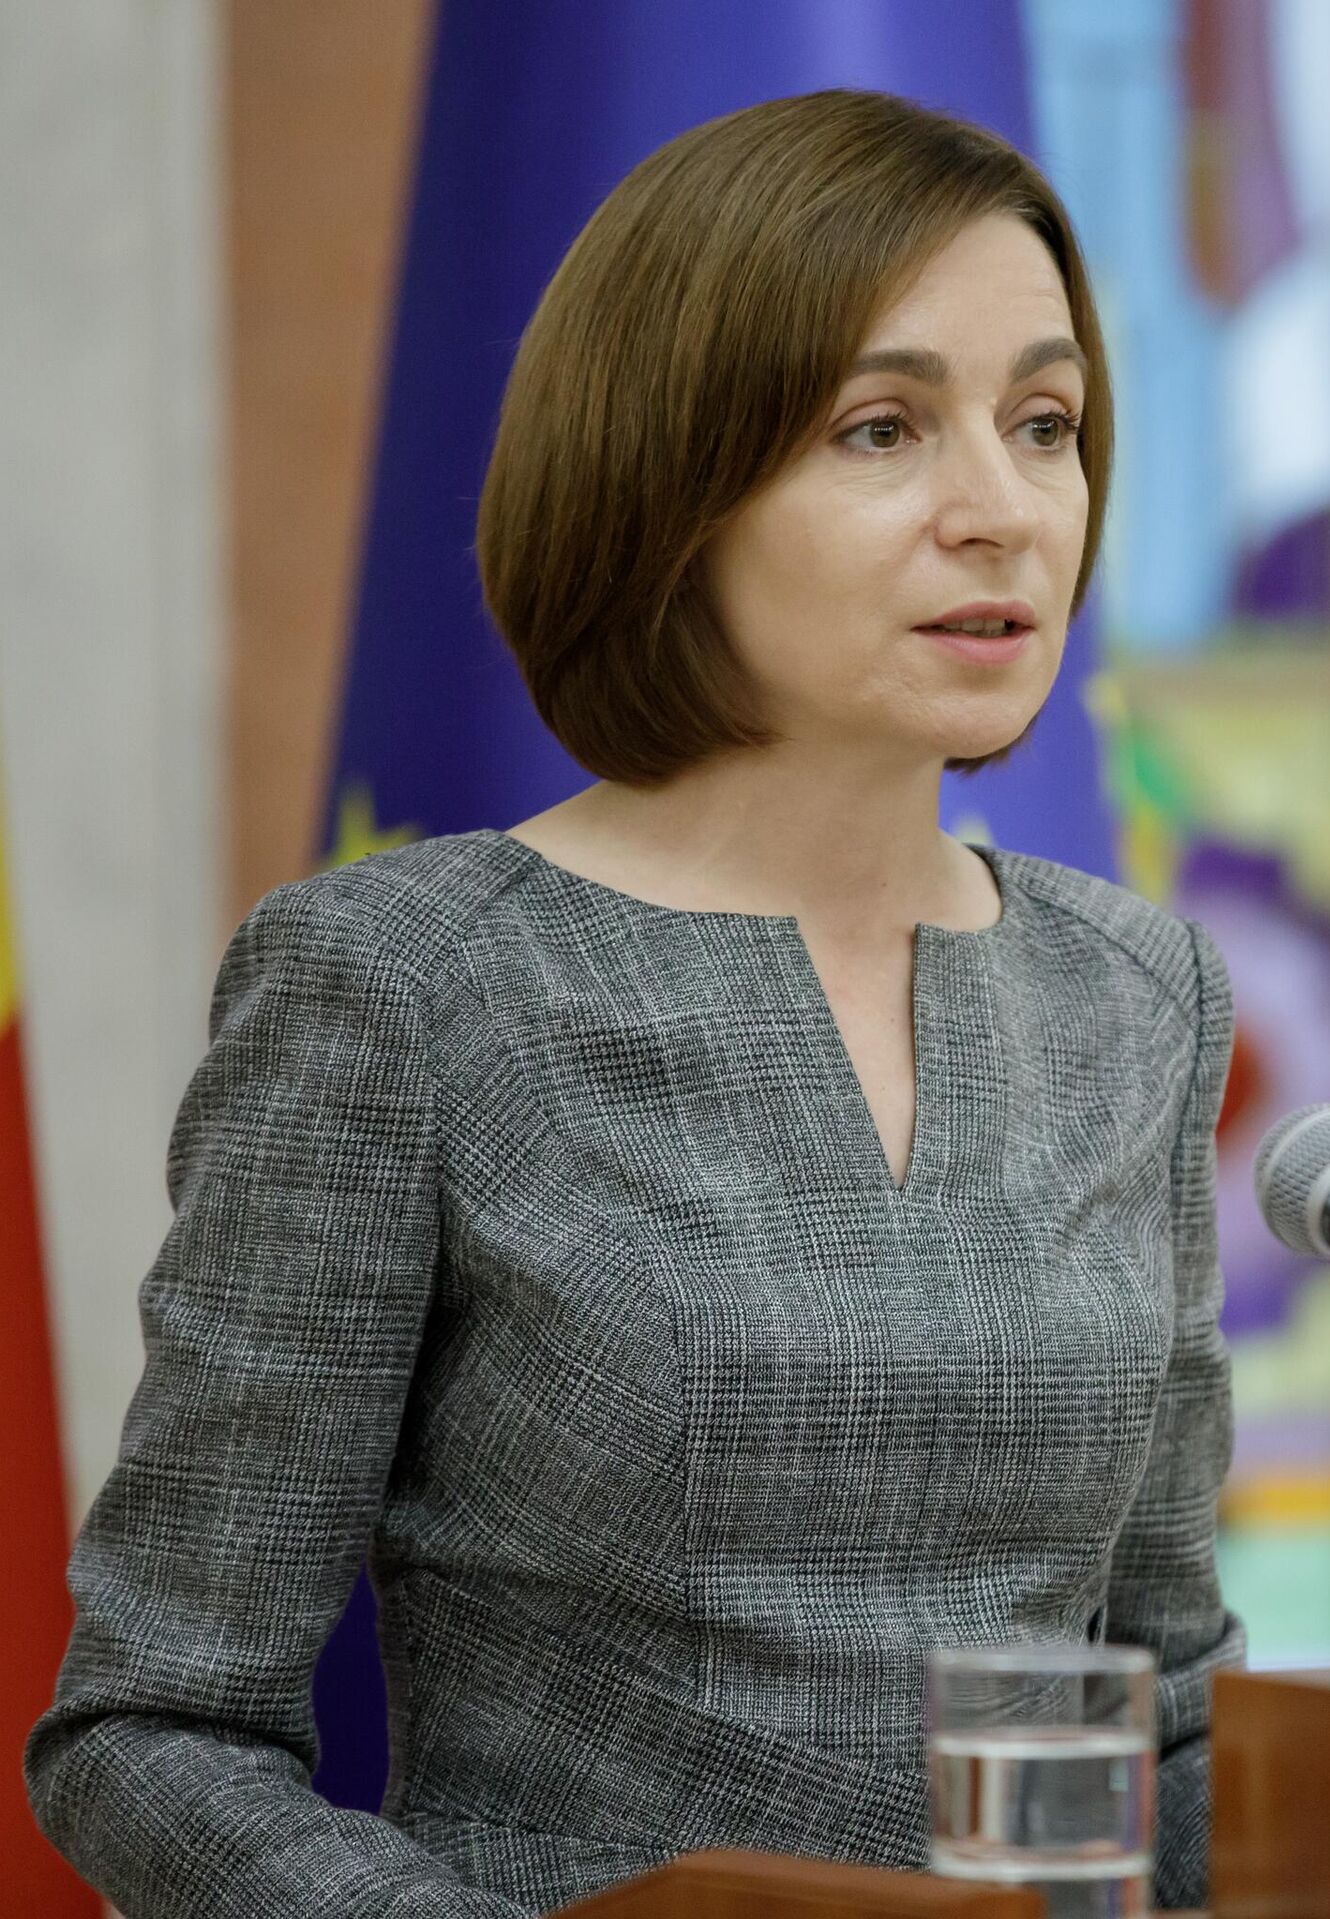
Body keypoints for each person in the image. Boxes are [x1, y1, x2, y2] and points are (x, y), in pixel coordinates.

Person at [24, 87, 1245, 1917]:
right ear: (673, 482)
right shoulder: (409, 984)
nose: (1003, 513)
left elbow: (1171, 1703)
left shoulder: (1135, 991)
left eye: (1046, 425)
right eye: (883, 429)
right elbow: (152, 1733)